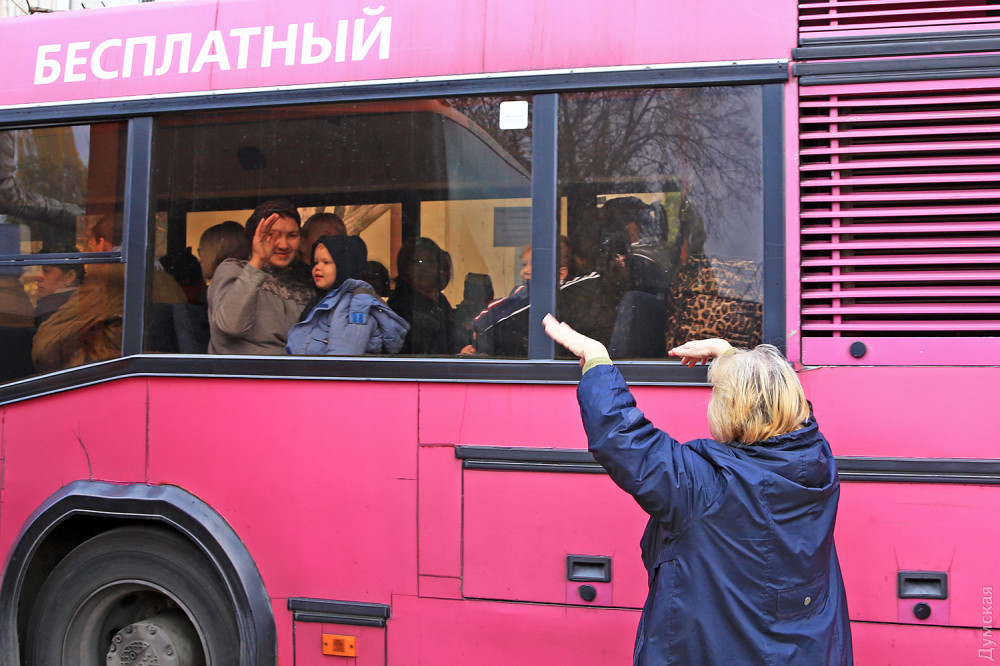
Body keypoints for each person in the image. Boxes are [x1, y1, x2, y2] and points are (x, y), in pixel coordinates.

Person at [542, 314, 853, 665]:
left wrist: (596, 359)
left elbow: (621, 438)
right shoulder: (817, 460)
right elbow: (779, 400)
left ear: (732, 410)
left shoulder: (707, 486)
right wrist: (730, 355)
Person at [207, 200, 315, 355]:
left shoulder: (302, 285)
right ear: (254, 237)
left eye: (292, 235)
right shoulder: (233, 270)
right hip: (239, 375)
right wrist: (258, 260)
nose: (283, 245)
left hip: (291, 375)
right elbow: (231, 326)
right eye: (271, 235)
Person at [287, 235, 408, 356]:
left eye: (326, 262)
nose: (317, 267)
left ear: (344, 266)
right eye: (316, 262)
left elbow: (342, 360)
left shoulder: (354, 306)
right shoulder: (324, 301)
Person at [387, 237, 458, 355]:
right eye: (417, 261)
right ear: (406, 267)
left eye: (430, 261)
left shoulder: (440, 300)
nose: (424, 268)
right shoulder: (401, 302)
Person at [32, 262, 82, 326]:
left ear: (70, 276)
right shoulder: (79, 301)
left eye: (46, 270)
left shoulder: (49, 311)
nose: (37, 277)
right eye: (37, 270)